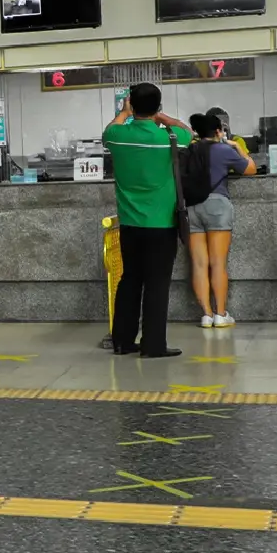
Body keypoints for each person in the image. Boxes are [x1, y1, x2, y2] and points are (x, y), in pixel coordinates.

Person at [102, 83, 192, 358]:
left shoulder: (118, 135)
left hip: (129, 223)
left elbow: (108, 130)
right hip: (161, 223)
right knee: (157, 284)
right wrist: (162, 118)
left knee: (129, 280)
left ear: (130, 104)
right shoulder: (169, 138)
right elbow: (188, 131)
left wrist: (124, 111)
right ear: (158, 106)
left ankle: (122, 341)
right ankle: (153, 345)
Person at [186, 113, 255, 329]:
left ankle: (206, 315)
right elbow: (250, 169)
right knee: (218, 263)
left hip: (190, 208)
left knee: (198, 264)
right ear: (219, 131)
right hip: (216, 206)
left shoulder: (187, 151)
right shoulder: (223, 150)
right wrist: (236, 146)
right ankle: (220, 313)